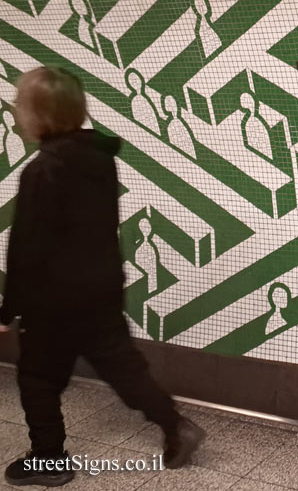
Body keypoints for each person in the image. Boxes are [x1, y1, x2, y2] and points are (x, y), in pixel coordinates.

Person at [0, 67, 204, 487]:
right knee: (125, 370)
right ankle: (175, 426)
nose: (18, 115)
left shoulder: (42, 170)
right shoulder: (99, 158)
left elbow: (27, 249)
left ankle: (49, 460)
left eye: (21, 107)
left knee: (38, 378)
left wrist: (9, 308)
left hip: (54, 302)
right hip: (102, 289)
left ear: (39, 114)